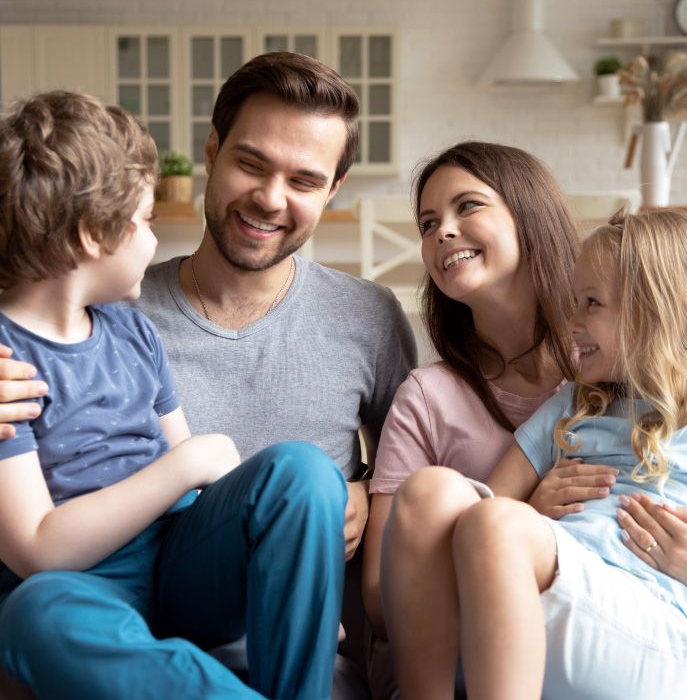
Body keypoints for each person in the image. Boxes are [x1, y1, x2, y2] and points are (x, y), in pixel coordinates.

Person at [0, 52, 416, 696]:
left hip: (257, 625)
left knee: (307, 470)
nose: (270, 198)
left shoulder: (370, 317)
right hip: (112, 645)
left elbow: (418, 468)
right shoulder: (117, 304)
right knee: (36, 611)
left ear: (333, 189)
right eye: (251, 163)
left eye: (303, 180)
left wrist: (356, 495)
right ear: (212, 150)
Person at [381, 209, 687, 698]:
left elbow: (496, 521)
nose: (572, 322)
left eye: (592, 303)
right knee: (430, 490)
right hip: (523, 610)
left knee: (497, 522)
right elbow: (489, 506)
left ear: (655, 311)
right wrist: (531, 511)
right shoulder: (573, 403)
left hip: (650, 629)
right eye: (573, 303)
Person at [361, 142, 624, 697]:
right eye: (428, 223)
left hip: (596, 643)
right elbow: (381, 599)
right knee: (436, 492)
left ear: (530, 216)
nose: (442, 232)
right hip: (450, 660)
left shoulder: (615, 372)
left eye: (468, 207)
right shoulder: (427, 399)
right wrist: (522, 520)